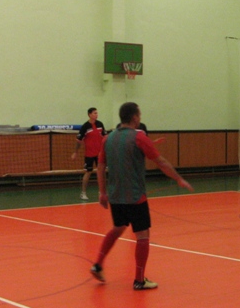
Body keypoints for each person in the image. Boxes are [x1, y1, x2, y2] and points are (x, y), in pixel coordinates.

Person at [90, 102, 193, 290]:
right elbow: (161, 162)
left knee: (118, 228)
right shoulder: (139, 137)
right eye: (139, 115)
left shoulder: (108, 138)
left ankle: (97, 264)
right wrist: (178, 178)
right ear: (134, 117)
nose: (140, 118)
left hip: (116, 196)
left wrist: (102, 193)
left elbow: (101, 166)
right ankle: (139, 280)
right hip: (135, 196)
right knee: (143, 235)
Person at [70, 107, 106, 200]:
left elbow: (105, 137)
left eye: (97, 113)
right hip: (89, 154)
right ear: (89, 114)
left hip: (100, 154)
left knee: (101, 172)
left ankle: (101, 192)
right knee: (88, 172)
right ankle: (83, 193)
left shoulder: (100, 124)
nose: (96, 115)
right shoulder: (85, 126)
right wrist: (75, 152)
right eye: (94, 113)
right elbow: (79, 140)